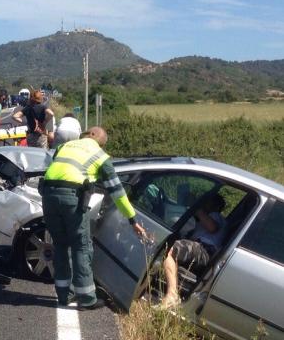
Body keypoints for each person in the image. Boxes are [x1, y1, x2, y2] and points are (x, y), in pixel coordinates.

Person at [41, 126, 147, 309]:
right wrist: (132, 219)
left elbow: (56, 167)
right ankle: (87, 298)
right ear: (100, 141)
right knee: (81, 245)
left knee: (60, 244)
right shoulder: (101, 157)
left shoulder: (65, 147)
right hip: (71, 198)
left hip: (48, 195)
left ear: (89, 134)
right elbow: (118, 192)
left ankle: (64, 295)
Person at [159, 193, 226, 309]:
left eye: (207, 202)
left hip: (204, 249)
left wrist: (197, 208)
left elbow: (212, 227)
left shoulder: (216, 216)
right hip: (199, 249)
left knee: (169, 249)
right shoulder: (206, 218)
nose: (205, 204)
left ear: (215, 205)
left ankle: (172, 295)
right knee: (170, 247)